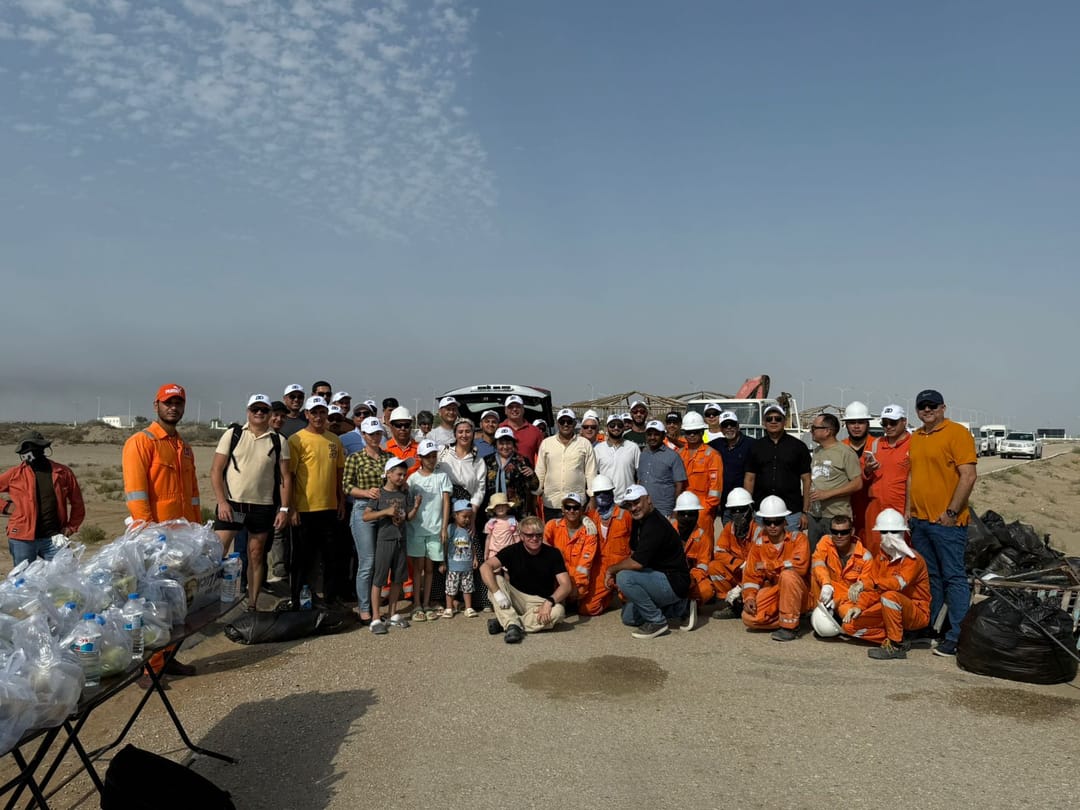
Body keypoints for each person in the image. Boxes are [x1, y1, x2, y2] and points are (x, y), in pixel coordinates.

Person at [122, 383, 200, 683]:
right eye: (168, 403)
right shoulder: (141, 443)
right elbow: (137, 494)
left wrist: (195, 534)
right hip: (154, 540)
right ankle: (148, 667)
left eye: (179, 403)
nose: (174, 408)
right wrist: (147, 534)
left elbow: (192, 496)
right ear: (156, 405)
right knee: (152, 604)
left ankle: (168, 657)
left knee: (175, 604)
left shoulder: (184, 447)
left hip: (182, 541)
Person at [907, 388, 977, 657]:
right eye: (923, 406)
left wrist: (951, 512)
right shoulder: (917, 437)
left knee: (954, 578)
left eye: (932, 406)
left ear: (943, 408)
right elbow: (913, 475)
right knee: (930, 579)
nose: (928, 410)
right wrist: (909, 512)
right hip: (921, 522)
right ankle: (928, 627)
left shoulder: (957, 434)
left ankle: (957, 635)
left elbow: (968, 476)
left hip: (946, 523)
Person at [209, 394, 292, 611]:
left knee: (256, 556)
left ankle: (252, 605)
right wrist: (222, 502)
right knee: (217, 554)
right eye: (255, 409)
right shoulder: (233, 434)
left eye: (264, 410)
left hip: (261, 508)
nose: (259, 413)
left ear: (269, 414)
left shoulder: (279, 440)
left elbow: (285, 477)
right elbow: (216, 470)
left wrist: (283, 508)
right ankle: (209, 602)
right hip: (233, 505)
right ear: (248, 411)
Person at [838, 509, 931, 660]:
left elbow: (896, 584)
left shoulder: (912, 559)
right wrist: (858, 606)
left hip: (916, 611)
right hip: (887, 608)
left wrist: (867, 584)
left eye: (893, 531)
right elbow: (874, 590)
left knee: (890, 596)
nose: (888, 536)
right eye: (884, 531)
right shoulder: (881, 557)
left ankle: (896, 645)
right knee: (849, 627)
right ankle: (899, 636)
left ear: (903, 534)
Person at [604, 485, 693, 639]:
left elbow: (637, 563)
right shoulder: (639, 521)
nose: (633, 508)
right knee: (629, 617)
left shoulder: (655, 524)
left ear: (649, 499)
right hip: (657, 578)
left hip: (674, 581)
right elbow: (634, 553)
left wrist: (611, 570)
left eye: (637, 502)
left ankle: (657, 621)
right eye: (629, 505)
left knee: (624, 577)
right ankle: (680, 608)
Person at [287, 396, 346, 610]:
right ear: (307, 414)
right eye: (314, 412)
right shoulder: (296, 440)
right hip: (304, 510)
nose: (319, 417)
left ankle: (330, 599)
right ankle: (298, 599)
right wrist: (291, 507)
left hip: (329, 508)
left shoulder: (334, 440)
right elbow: (289, 477)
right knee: (303, 558)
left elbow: (338, 473)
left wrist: (340, 501)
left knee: (332, 557)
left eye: (322, 412)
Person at [480, 515, 572, 643]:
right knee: (496, 580)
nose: (534, 538)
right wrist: (497, 593)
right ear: (521, 536)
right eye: (529, 535)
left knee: (559, 612)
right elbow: (485, 567)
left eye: (538, 535)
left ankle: (509, 623)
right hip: (516, 598)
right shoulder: (512, 551)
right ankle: (512, 622)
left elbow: (566, 585)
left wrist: (549, 602)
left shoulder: (553, 553)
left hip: (540, 602)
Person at [0, 431, 85, 567]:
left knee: (70, 573)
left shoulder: (63, 473)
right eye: (26, 448)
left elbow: (78, 504)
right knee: (24, 581)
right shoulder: (15, 474)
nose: (30, 452)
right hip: (22, 538)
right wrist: (5, 506)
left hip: (54, 538)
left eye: (34, 447)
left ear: (43, 448)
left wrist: (70, 527)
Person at [740, 494, 811, 641]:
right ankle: (789, 617)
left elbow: (800, 567)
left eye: (777, 522)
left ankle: (790, 627)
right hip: (777, 591)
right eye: (768, 522)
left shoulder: (798, 539)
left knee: (788, 575)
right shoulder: (758, 545)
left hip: (800, 592)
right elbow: (751, 577)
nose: (772, 526)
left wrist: (769, 565)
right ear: (763, 523)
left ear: (785, 522)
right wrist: (749, 597)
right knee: (749, 619)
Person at [342, 417, 391, 624]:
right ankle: (364, 608)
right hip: (363, 509)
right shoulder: (355, 458)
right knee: (367, 561)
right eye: (371, 434)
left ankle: (375, 603)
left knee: (381, 561)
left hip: (385, 509)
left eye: (378, 433)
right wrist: (365, 492)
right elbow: (346, 486)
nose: (374, 437)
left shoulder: (388, 457)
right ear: (363, 435)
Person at [364, 458, 419, 635]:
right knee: (379, 578)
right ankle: (375, 618)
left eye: (404, 474)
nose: (402, 478)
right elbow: (366, 516)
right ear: (388, 474)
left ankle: (393, 613)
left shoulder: (404, 493)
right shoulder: (379, 494)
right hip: (384, 540)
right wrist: (385, 512)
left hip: (400, 540)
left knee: (398, 578)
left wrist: (416, 506)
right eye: (399, 474)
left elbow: (408, 517)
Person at [744, 403, 811, 533]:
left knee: (792, 551)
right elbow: (749, 478)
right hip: (761, 512)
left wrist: (805, 512)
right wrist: (748, 508)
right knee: (762, 550)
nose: (773, 421)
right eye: (769, 419)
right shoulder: (756, 447)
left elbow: (807, 480)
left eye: (778, 418)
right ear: (764, 422)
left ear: (784, 421)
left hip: (792, 513)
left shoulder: (798, 447)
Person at [406, 439, 452, 621]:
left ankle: (426, 603)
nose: (431, 460)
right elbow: (408, 503)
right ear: (420, 458)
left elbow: (446, 502)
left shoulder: (442, 476)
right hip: (416, 529)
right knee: (418, 568)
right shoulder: (413, 479)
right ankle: (416, 604)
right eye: (427, 457)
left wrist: (443, 527)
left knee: (430, 568)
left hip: (435, 528)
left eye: (434, 456)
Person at [579, 474, 633, 616]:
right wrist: (584, 519)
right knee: (588, 608)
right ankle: (608, 596)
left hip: (624, 566)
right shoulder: (591, 517)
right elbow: (574, 517)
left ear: (612, 493)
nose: (602, 496)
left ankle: (624, 597)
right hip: (602, 567)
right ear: (594, 496)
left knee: (632, 605)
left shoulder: (625, 515)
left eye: (606, 493)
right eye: (598, 494)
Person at [807, 413, 862, 550]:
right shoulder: (818, 451)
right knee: (816, 557)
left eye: (814, 428)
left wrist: (828, 494)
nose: (811, 431)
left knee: (836, 557)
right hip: (815, 515)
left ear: (827, 431)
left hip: (836, 518)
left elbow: (857, 483)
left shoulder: (845, 453)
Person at [535, 408, 598, 522]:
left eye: (569, 421)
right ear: (557, 423)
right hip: (552, 503)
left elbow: (591, 473)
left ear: (574, 423)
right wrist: (535, 495)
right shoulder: (546, 443)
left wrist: (593, 498)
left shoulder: (585, 444)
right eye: (562, 421)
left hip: (576, 504)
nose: (565, 424)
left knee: (576, 537)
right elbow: (540, 472)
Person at [864, 404, 910, 554]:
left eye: (893, 422)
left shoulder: (914, 445)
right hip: (876, 507)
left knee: (900, 551)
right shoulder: (876, 444)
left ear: (904, 421)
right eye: (885, 423)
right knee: (875, 549)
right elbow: (862, 475)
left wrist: (908, 511)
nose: (888, 427)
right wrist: (868, 469)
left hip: (900, 508)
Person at [707, 488, 758, 619]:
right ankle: (733, 605)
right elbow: (719, 552)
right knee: (714, 567)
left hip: (756, 577)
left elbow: (758, 567)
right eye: (734, 510)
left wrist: (742, 586)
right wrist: (740, 564)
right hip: (738, 571)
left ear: (750, 509)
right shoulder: (729, 528)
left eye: (741, 509)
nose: (737, 514)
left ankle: (749, 602)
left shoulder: (759, 531)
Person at [810, 514, 871, 616]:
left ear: (852, 532)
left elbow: (864, 590)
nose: (839, 536)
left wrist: (838, 599)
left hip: (848, 599)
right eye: (835, 532)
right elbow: (818, 562)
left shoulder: (865, 557)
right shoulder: (825, 541)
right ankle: (818, 613)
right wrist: (826, 584)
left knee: (850, 620)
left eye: (844, 532)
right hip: (825, 593)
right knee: (816, 574)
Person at [543, 492, 598, 606]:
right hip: (556, 578)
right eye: (568, 507)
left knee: (590, 608)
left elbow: (585, 565)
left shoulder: (589, 531)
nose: (571, 511)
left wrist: (574, 585)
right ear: (563, 509)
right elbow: (542, 546)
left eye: (576, 507)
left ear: (581, 510)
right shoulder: (552, 526)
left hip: (577, 581)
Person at [437, 418, 487, 527]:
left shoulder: (478, 461)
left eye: (468, 431)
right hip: (441, 507)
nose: (464, 435)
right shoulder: (442, 453)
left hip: (466, 512)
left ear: (473, 434)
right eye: (460, 432)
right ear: (455, 434)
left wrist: (472, 518)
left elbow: (479, 490)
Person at [676, 411, 723, 526]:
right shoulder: (678, 454)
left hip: (702, 510)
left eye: (695, 432)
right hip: (682, 507)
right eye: (689, 432)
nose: (692, 435)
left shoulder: (712, 455)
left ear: (702, 432)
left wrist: (706, 510)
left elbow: (715, 488)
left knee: (702, 543)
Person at [709, 411, 754, 526]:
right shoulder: (715, 445)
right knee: (729, 538)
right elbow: (695, 445)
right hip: (726, 505)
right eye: (725, 425)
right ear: (721, 429)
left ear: (738, 426)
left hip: (745, 504)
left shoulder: (752, 444)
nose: (729, 428)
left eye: (732, 424)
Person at [482, 426, 538, 518]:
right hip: (492, 512)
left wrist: (532, 475)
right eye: (501, 443)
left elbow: (534, 487)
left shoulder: (522, 461)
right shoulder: (487, 461)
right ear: (495, 444)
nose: (505, 447)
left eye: (508, 443)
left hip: (516, 512)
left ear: (513, 444)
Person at [670, 491, 714, 606]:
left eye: (691, 514)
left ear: (697, 515)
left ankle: (688, 604)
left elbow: (703, 566)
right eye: (683, 513)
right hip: (670, 577)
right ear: (677, 514)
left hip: (692, 579)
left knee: (706, 589)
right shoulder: (668, 532)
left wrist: (690, 579)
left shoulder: (703, 538)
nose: (686, 518)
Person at [636, 420, 687, 518]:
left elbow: (679, 485)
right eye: (649, 434)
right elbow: (640, 480)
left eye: (656, 434)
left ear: (663, 436)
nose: (652, 437)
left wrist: (675, 509)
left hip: (664, 510)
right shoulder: (643, 455)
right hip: (644, 509)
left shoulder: (673, 456)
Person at [840, 401, 874, 539]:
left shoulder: (878, 446)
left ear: (868, 424)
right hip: (847, 506)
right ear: (846, 425)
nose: (856, 426)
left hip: (871, 506)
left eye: (861, 422)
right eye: (852, 422)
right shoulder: (840, 448)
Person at [443, 500, 479, 618]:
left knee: (467, 588)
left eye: (469, 517)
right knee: (451, 588)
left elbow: (472, 544)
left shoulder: (469, 529)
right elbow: (445, 545)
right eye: (464, 516)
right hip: (453, 565)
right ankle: (449, 608)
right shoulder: (450, 528)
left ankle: (468, 608)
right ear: (455, 515)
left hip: (467, 565)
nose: (467, 520)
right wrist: (443, 561)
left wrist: (475, 558)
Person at [593, 413, 640, 496]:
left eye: (619, 425)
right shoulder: (598, 449)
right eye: (612, 425)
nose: (616, 428)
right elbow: (593, 475)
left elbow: (640, 474)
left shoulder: (633, 447)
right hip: (605, 500)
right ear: (607, 428)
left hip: (628, 500)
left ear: (623, 428)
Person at [499, 395, 544, 465]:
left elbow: (543, 459)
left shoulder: (535, 431)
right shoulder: (498, 429)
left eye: (517, 406)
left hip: (527, 475)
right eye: (510, 407)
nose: (514, 409)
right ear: (505, 411)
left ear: (523, 409)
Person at [483, 492, 519, 560]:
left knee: (509, 570)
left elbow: (516, 538)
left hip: (509, 552)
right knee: (495, 570)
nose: (500, 508)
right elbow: (488, 538)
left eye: (503, 505)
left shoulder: (512, 521)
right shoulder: (491, 522)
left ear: (507, 507)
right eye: (497, 506)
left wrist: (518, 552)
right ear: (493, 509)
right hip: (494, 552)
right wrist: (486, 553)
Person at [385, 406, 420, 474]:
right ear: (391, 427)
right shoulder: (384, 449)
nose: (403, 428)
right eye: (398, 425)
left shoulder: (420, 449)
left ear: (411, 427)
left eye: (406, 425)